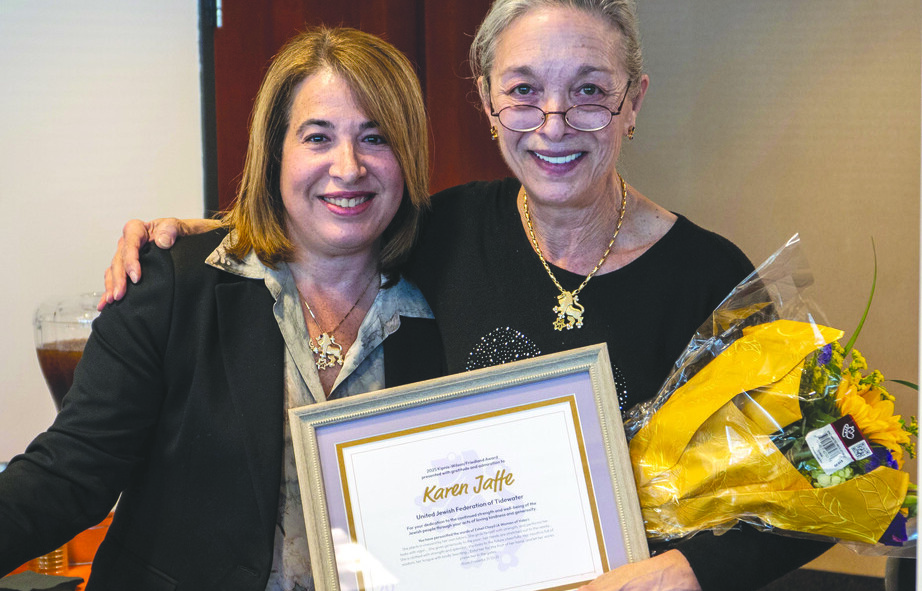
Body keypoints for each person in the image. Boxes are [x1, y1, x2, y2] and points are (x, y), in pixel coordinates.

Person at [101, 1, 834, 589]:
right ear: (487, 101)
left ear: (632, 102)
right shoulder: (441, 232)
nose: (553, 122)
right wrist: (197, 237)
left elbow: (835, 473)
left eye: (588, 91)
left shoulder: (709, 277)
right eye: (522, 90)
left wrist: (684, 572)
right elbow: (324, 222)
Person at [0, 27, 445, 590]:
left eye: (375, 138)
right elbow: (68, 473)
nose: (348, 167)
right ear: (274, 151)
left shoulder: (445, 295)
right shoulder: (175, 283)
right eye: (318, 138)